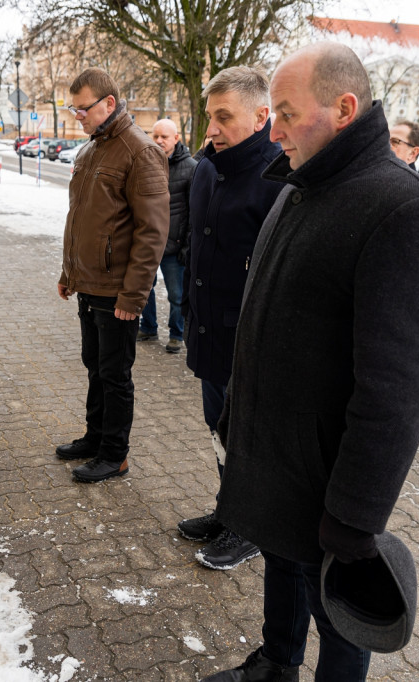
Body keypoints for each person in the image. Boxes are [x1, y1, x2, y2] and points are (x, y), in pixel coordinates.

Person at [201, 43, 419, 681]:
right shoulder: (299, 185)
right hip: (273, 452)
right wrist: (238, 415)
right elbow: (264, 319)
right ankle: (275, 663)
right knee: (279, 567)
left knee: (338, 609)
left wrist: (355, 516)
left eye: (285, 111)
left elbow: (398, 388)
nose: (274, 127)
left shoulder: (404, 209)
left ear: (343, 109)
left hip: (329, 478)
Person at [177, 66, 285, 570]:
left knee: (247, 443)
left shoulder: (279, 180)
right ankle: (227, 511)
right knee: (217, 431)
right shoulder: (205, 169)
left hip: (252, 347)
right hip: (209, 334)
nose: (212, 128)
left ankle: (249, 529)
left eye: (225, 117)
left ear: (262, 116)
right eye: (209, 115)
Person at [55, 68, 170, 483]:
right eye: (73, 108)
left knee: (115, 374)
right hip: (89, 284)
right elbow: (80, 218)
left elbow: (153, 232)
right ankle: (95, 437)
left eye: (82, 108)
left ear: (108, 103)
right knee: (95, 366)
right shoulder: (90, 151)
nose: (76, 116)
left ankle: (114, 454)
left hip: (118, 290)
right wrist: (70, 271)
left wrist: (133, 296)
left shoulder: (140, 151)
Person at [139, 119, 197, 354]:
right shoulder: (145, 164)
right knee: (144, 288)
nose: (160, 141)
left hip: (175, 245)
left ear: (176, 139)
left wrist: (186, 245)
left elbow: (194, 211)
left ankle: (175, 334)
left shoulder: (191, 167)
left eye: (165, 136)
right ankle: (149, 327)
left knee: (176, 294)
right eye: (156, 136)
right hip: (149, 243)